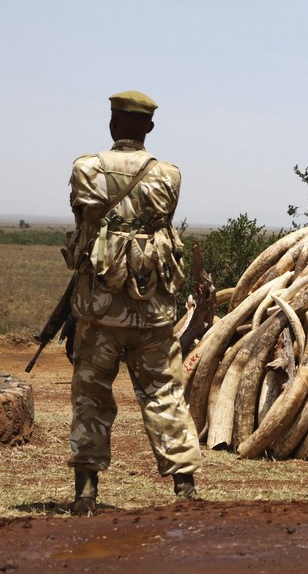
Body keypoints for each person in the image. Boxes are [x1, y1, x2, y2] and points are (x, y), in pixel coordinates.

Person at [63, 90, 203, 516]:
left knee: (90, 396)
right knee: (164, 392)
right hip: (153, 311)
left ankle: (86, 492)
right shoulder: (169, 175)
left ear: (112, 123)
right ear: (149, 127)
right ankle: (185, 487)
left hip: (99, 310)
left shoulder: (85, 169)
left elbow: (82, 221)